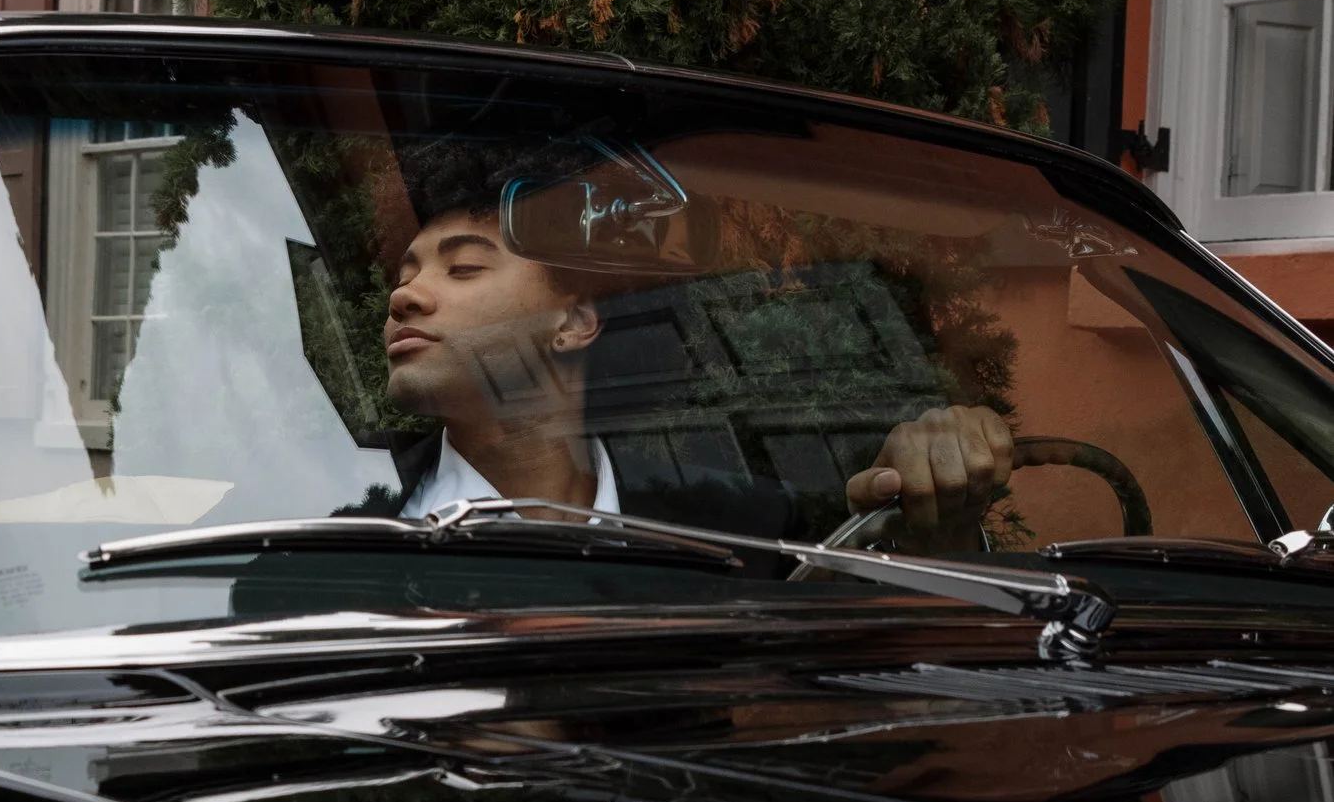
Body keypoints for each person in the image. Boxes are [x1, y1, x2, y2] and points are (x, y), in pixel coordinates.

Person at [373, 146, 1012, 551]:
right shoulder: (348, 508)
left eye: (463, 269)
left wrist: (937, 522)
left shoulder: (740, 526)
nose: (405, 296)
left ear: (573, 322)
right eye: (404, 276)